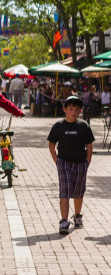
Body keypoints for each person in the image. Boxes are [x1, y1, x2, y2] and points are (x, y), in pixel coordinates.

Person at [47, 95, 94, 235]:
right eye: (70, 109)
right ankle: (64, 221)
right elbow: (51, 143)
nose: (73, 112)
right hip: (64, 162)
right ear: (64, 110)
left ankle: (77, 216)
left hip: (80, 163)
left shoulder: (83, 126)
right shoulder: (58, 126)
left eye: (76, 109)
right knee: (65, 191)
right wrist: (56, 160)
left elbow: (89, 144)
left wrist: (88, 161)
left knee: (79, 191)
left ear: (80, 111)